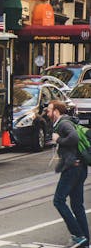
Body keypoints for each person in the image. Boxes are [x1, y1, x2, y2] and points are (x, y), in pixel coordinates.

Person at [47, 100, 89, 248]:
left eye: (49, 110)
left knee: (58, 201)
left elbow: (74, 138)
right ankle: (85, 240)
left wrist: (59, 139)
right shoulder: (66, 122)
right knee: (77, 205)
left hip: (73, 169)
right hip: (80, 167)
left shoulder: (63, 124)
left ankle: (77, 235)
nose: (47, 113)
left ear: (56, 111)